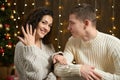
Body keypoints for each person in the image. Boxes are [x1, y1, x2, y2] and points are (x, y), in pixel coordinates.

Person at [54, 3, 120, 80]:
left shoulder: (114, 44)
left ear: (86, 23)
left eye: (72, 23)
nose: (68, 28)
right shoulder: (72, 41)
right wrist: (80, 69)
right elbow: (58, 69)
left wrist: (90, 71)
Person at [14, 7, 64, 80]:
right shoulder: (21, 46)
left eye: (49, 25)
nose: (47, 28)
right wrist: (31, 48)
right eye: (44, 23)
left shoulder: (48, 45)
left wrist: (56, 56)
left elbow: (56, 69)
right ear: (35, 22)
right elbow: (36, 77)